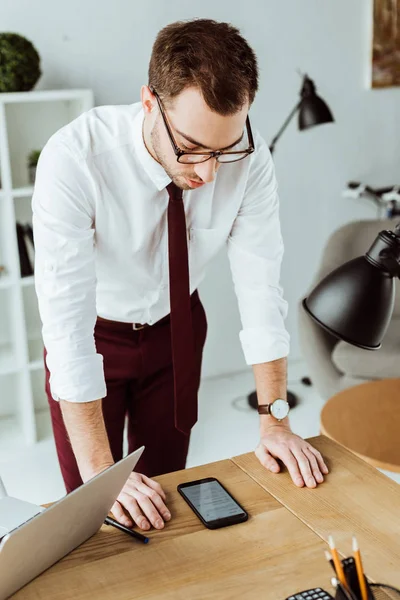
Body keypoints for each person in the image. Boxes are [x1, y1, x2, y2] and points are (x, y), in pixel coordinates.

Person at [32, 18, 328, 533]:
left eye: (225, 149)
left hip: (179, 331)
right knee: (97, 511)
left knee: (165, 503)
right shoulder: (75, 159)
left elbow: (262, 293)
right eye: (191, 147)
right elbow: (66, 330)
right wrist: (103, 474)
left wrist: (275, 421)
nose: (210, 172)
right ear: (150, 101)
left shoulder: (249, 160)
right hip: (95, 337)